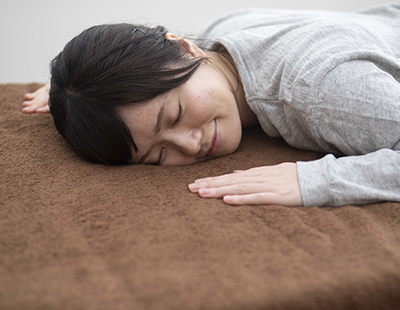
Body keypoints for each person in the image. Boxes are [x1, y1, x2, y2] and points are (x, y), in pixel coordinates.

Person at [22, 3, 400, 207]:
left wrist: (318, 181)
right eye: (158, 156)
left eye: (175, 115)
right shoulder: (226, 32)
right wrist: (72, 94)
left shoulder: (322, 93)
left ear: (187, 49)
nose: (189, 145)